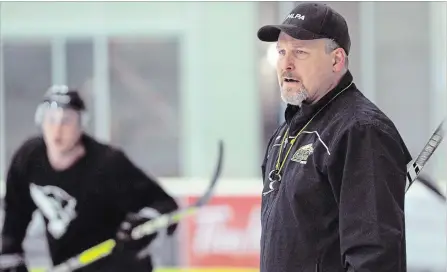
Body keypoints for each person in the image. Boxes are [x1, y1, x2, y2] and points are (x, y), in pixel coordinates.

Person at [257, 3, 412, 272]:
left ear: (336, 60)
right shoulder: (287, 133)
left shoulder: (360, 131)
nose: (286, 63)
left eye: (300, 52)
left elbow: (375, 257)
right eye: (281, 51)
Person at [0, 85, 179, 271]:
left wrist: (145, 224)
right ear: (41, 121)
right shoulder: (29, 159)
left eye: (67, 120)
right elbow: (15, 212)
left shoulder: (107, 163)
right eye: (51, 119)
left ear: (81, 125)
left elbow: (164, 205)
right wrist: (10, 253)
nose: (57, 128)